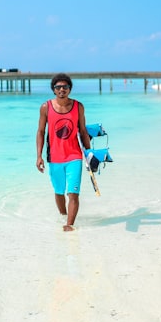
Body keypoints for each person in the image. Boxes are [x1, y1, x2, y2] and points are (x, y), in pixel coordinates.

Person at [36, 73, 91, 232]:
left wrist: (88, 154)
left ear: (70, 89)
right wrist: (39, 156)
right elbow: (40, 132)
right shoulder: (45, 107)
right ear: (53, 90)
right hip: (54, 157)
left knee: (73, 193)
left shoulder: (78, 106)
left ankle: (69, 224)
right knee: (59, 192)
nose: (62, 89)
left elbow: (83, 131)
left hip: (74, 155)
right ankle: (63, 215)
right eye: (58, 87)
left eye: (65, 87)